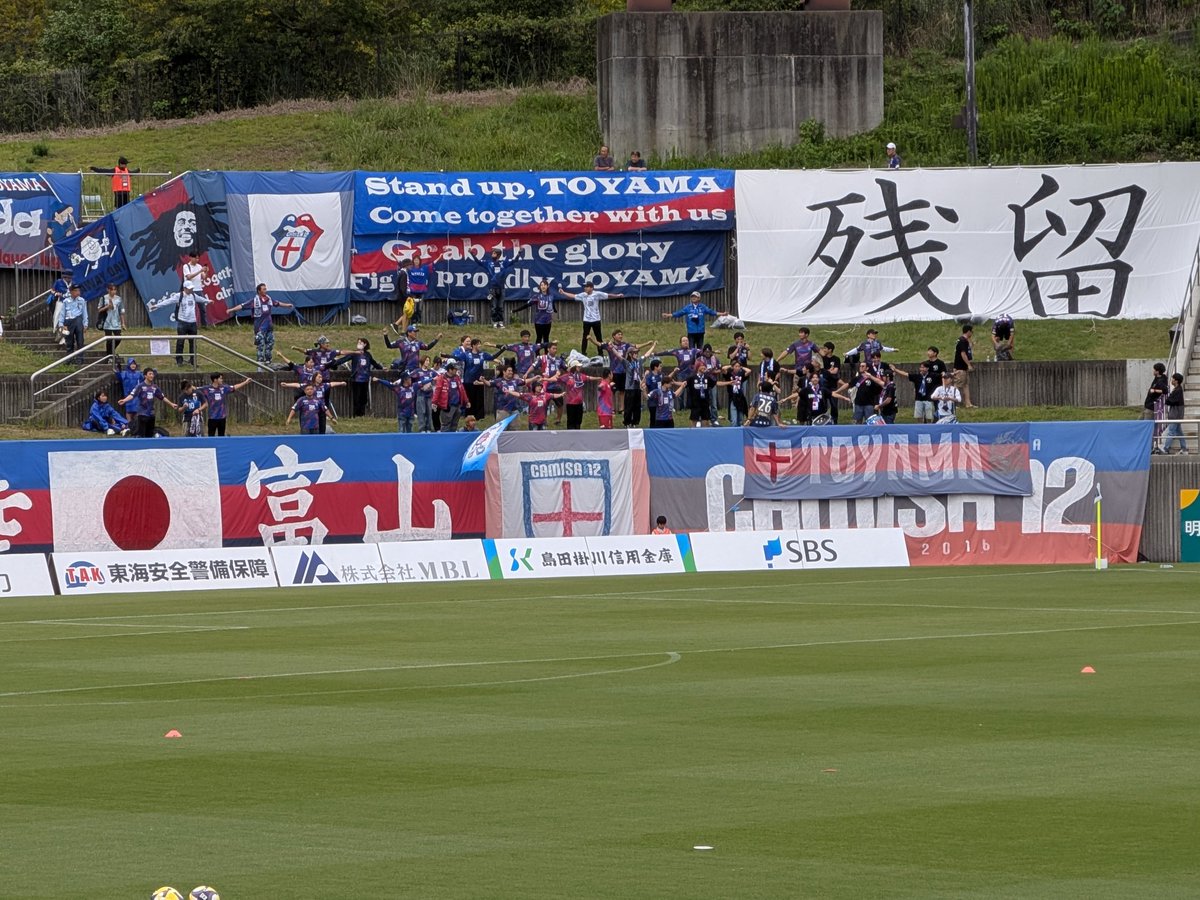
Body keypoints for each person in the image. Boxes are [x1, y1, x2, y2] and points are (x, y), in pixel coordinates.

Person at [227, 283, 294, 370]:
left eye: (266, 289)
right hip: (260, 328)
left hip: (269, 327)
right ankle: (260, 366)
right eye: (264, 289)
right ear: (259, 291)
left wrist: (287, 305)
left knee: (269, 345)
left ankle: (268, 363)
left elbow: (277, 303)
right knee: (260, 346)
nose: (266, 290)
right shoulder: (254, 301)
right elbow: (242, 306)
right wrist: (231, 310)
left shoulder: (269, 299)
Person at [559, 281, 624, 354]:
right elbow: (573, 296)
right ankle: (583, 353)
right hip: (586, 320)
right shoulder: (583, 295)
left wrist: (618, 295)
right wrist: (563, 293)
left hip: (596, 320)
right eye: (585, 287)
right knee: (585, 337)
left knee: (598, 337)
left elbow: (608, 295)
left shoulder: (597, 294)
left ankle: (600, 353)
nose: (585, 288)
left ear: (591, 288)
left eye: (587, 287)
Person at [118, 367, 178, 437]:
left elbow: (162, 397)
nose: (152, 376)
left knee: (150, 435)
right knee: (141, 435)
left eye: (152, 374)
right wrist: (124, 400)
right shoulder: (140, 386)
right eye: (150, 374)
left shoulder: (154, 387)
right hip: (142, 414)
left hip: (151, 414)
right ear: (145, 376)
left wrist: (171, 404)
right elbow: (132, 395)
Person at [333, 338, 383, 417]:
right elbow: (344, 359)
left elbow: (374, 363)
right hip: (356, 379)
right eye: (358, 342)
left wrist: (382, 368)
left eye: (360, 342)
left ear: (365, 344)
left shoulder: (367, 355)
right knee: (356, 397)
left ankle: (362, 413)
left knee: (364, 397)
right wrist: (333, 363)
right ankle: (356, 414)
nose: (358, 343)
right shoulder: (354, 353)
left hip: (365, 379)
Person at [662, 291, 726, 350]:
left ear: (699, 298)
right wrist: (668, 315)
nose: (693, 298)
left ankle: (699, 362)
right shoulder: (688, 307)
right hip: (691, 332)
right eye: (692, 296)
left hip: (700, 331)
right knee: (691, 349)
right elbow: (679, 313)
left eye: (695, 297)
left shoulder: (703, 307)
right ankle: (692, 362)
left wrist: (722, 314)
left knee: (700, 349)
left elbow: (711, 312)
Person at [473, 248, 516, 328]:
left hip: (502, 288)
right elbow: (478, 262)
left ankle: (501, 322)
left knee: (500, 306)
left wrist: (519, 253)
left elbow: (514, 261)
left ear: (498, 255)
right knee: (494, 307)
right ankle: (495, 322)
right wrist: (472, 254)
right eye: (492, 253)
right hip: (492, 289)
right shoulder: (488, 263)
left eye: (494, 253)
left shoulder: (503, 263)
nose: (492, 254)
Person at [393, 251, 436, 330]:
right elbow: (402, 287)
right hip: (409, 293)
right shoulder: (406, 272)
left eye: (418, 260)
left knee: (416, 309)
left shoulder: (423, 269)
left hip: (421, 291)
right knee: (410, 310)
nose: (416, 262)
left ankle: (404, 327)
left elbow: (432, 265)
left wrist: (439, 257)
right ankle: (402, 327)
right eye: (414, 260)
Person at [200, 372, 251, 436]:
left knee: (221, 436)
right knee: (211, 436)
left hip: (222, 417)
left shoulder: (224, 388)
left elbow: (234, 387)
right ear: (215, 380)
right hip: (212, 418)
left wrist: (245, 382)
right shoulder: (206, 389)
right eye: (220, 378)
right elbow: (195, 389)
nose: (222, 380)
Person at [512, 279, 557, 345]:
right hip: (539, 321)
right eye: (541, 285)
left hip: (548, 320)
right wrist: (516, 310)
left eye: (544, 285)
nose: (543, 286)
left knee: (546, 338)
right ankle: (537, 353)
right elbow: (527, 305)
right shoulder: (537, 297)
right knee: (539, 337)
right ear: (540, 287)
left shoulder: (551, 296)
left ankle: (546, 354)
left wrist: (555, 310)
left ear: (548, 286)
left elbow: (552, 303)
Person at [172, 285, 205, 366]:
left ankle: (193, 360)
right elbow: (168, 301)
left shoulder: (193, 295)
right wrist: (157, 306)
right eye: (190, 288)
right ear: (185, 288)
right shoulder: (179, 296)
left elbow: (201, 299)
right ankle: (179, 360)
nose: (191, 289)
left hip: (193, 323)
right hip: (182, 322)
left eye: (192, 288)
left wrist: (209, 301)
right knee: (180, 342)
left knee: (193, 342)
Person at [432, 360, 469, 432]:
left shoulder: (457, 378)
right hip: (447, 406)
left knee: (455, 424)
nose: (456, 370)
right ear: (450, 370)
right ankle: (444, 440)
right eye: (455, 369)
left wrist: (466, 401)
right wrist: (434, 402)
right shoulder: (442, 378)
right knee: (446, 425)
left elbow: (462, 390)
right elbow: (438, 390)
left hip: (457, 405)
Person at [55, 284, 88, 357]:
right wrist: (61, 325)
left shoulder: (82, 300)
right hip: (69, 321)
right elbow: (62, 314)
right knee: (69, 341)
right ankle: (69, 358)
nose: (78, 292)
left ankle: (80, 359)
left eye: (79, 290)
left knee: (80, 341)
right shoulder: (66, 301)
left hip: (78, 321)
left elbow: (84, 313)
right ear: (71, 292)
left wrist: (85, 324)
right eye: (76, 291)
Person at [96, 283, 125, 357]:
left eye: (115, 289)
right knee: (109, 340)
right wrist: (107, 307)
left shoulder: (118, 299)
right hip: (107, 321)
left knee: (118, 338)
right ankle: (109, 355)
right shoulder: (103, 298)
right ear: (108, 290)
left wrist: (123, 323)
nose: (113, 291)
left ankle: (110, 352)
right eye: (112, 289)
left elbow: (121, 312)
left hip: (116, 321)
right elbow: (99, 310)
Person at [181, 251, 210, 326]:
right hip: (189, 291)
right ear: (190, 257)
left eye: (198, 258)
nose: (197, 260)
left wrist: (206, 272)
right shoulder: (186, 266)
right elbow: (188, 277)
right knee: (190, 309)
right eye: (195, 258)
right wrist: (200, 271)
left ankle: (204, 325)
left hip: (199, 290)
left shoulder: (199, 266)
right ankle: (190, 325)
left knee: (202, 309)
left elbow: (203, 277)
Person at [1163, 373, 1188, 454]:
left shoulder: (1178, 390)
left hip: (1175, 414)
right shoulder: (1177, 389)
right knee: (1178, 431)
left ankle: (1166, 449)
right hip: (1176, 413)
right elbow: (1170, 400)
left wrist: (1168, 400)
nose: (1171, 380)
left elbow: (1171, 401)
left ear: (1176, 381)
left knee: (1171, 432)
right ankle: (1184, 448)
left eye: (1173, 379)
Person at [117, 357, 144, 429]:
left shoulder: (138, 373)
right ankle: (129, 425)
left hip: (137, 395)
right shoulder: (125, 373)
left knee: (136, 410)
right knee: (129, 410)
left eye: (134, 364)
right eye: (132, 364)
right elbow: (119, 377)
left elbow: (144, 379)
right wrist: (118, 368)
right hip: (128, 394)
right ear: (129, 365)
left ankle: (136, 425)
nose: (133, 365)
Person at [47, 270, 73, 344]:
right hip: (61, 302)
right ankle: (57, 331)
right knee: (57, 317)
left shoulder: (73, 283)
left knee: (67, 320)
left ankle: (63, 338)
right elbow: (52, 290)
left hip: (70, 304)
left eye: (69, 277)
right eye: (66, 277)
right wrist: (56, 294)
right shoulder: (59, 282)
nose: (68, 279)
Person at [953, 324, 975, 408]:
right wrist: (968, 365)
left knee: (965, 385)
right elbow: (963, 353)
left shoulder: (964, 340)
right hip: (960, 367)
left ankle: (968, 403)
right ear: (968, 331)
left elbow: (969, 349)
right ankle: (954, 404)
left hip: (963, 367)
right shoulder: (962, 340)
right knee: (957, 385)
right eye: (972, 331)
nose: (972, 333)